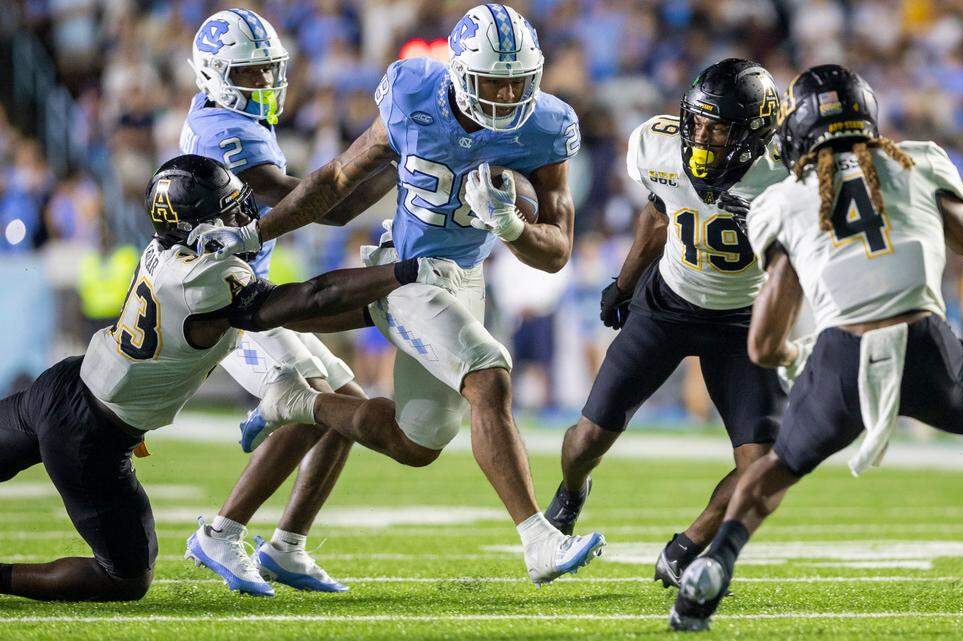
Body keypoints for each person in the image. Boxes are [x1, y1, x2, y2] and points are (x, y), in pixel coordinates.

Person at [668, 65, 963, 631]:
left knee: (778, 466)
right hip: (927, 347)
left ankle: (713, 564)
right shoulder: (918, 164)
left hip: (841, 355)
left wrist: (795, 358)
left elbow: (763, 344)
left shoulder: (784, 199)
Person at [189, 4, 605, 585]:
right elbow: (338, 178)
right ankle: (539, 540)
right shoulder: (413, 91)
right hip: (408, 272)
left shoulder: (547, 124)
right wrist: (257, 232)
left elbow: (556, 252)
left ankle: (294, 417)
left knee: (417, 443)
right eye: (494, 81)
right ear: (460, 73)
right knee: (489, 375)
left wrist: (511, 226)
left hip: (464, 278)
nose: (509, 95)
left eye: (519, 81)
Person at [0, 155, 460, 602]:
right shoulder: (205, 279)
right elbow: (312, 299)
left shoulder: (164, 248)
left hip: (62, 385)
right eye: (230, 213)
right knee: (123, 579)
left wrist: (378, 305)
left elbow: (304, 310)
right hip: (91, 435)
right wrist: (401, 274)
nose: (244, 219)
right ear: (197, 227)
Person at [541, 59, 786, 588]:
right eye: (697, 121)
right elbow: (658, 212)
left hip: (743, 320)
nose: (700, 136)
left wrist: (769, 227)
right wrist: (625, 284)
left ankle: (686, 546)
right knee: (587, 439)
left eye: (718, 128)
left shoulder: (786, 175)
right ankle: (572, 490)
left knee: (762, 465)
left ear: (753, 133)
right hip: (668, 303)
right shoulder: (658, 145)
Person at [180, 8, 399, 596]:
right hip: (223, 305)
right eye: (248, 73)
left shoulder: (224, 114)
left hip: (251, 294)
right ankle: (221, 532)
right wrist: (398, 159)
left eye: (267, 70)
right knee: (316, 405)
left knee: (346, 408)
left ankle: (286, 547)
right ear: (215, 74)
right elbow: (324, 208)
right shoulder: (225, 132)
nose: (264, 83)